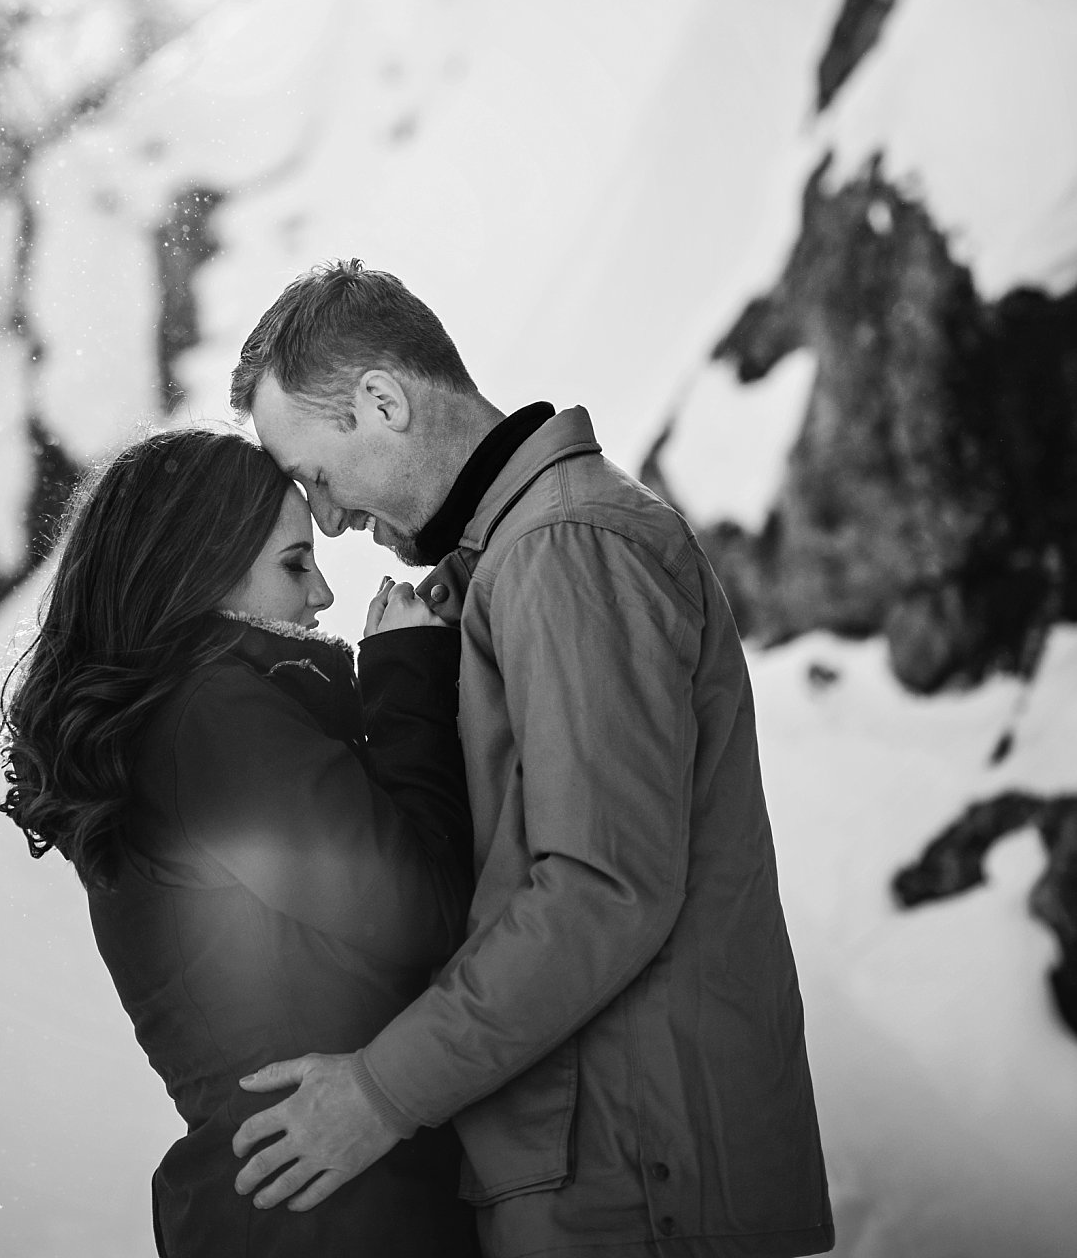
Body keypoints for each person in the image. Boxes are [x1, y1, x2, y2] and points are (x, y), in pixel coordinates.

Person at [226, 261, 835, 1258]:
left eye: (319, 479)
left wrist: (378, 1094)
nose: (326, 521)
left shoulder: (566, 547)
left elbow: (600, 886)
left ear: (382, 399)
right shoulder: (514, 556)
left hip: (634, 1180)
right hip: (596, 1163)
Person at [0, 425, 479, 1258]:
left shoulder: (182, 720)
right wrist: (406, 678)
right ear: (197, 572)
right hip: (327, 1209)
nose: (322, 595)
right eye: (295, 564)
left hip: (300, 1200)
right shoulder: (205, 720)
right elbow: (429, 907)